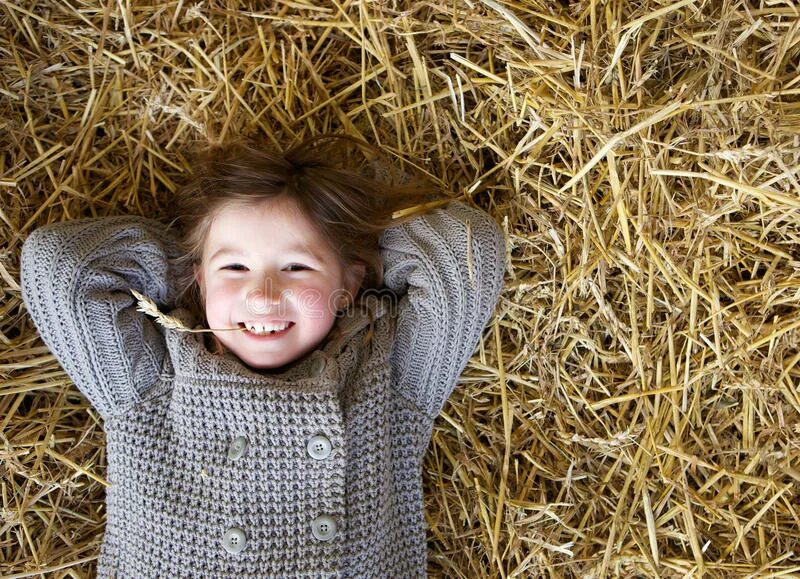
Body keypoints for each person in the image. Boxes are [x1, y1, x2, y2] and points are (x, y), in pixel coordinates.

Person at [20, 135, 506, 577]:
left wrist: (355, 230)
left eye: (296, 266)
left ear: (350, 284)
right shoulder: (152, 381)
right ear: (198, 278)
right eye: (235, 265)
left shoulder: (387, 375)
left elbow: (466, 255)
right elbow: (62, 267)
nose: (264, 294)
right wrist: (196, 273)